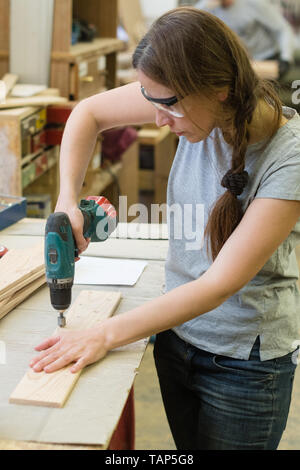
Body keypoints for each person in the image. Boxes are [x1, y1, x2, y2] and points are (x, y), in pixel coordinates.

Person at [30, 7, 300, 450]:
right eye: (149, 100)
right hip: (176, 338)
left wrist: (103, 334)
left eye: (167, 105)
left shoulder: (288, 157)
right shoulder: (180, 100)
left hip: (244, 366)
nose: (157, 120)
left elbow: (219, 284)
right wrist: (67, 202)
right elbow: (88, 114)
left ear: (219, 91)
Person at [195, 0, 296, 78]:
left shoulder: (253, 3)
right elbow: (189, 22)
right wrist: (206, 8)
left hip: (266, 59)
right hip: (238, 63)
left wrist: (286, 58)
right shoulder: (208, 7)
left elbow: (282, 29)